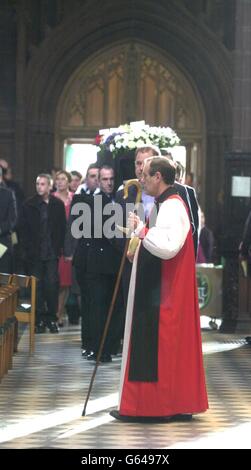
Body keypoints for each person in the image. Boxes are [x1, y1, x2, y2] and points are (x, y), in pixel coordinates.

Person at [111, 157, 208, 422]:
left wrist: (141, 230)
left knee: (159, 350)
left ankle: (152, 407)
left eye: (145, 175)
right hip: (161, 286)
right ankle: (157, 405)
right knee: (161, 350)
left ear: (158, 177)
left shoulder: (173, 206)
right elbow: (160, 243)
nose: (140, 180)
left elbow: (167, 247)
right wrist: (137, 244)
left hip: (165, 291)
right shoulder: (166, 203)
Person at [19, 174, 66, 333]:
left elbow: (62, 228)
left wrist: (60, 247)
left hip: (51, 251)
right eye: (38, 184)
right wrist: (27, 250)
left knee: (52, 285)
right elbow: (22, 229)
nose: (40, 187)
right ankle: (38, 319)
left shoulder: (57, 205)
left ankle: (51, 318)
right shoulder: (29, 205)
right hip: (35, 254)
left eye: (43, 184)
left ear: (49, 186)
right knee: (37, 287)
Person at [0, 166, 17, 273]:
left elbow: (13, 218)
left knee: (3, 277)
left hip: (2, 241)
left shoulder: (8, 194)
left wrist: (1, 230)